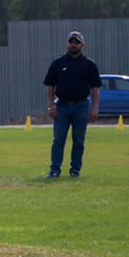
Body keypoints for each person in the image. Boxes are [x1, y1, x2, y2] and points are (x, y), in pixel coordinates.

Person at [43, 31, 101, 178]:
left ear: (82, 45)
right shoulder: (58, 63)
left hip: (81, 106)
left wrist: (94, 109)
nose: (74, 45)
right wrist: (51, 106)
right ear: (67, 43)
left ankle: (75, 170)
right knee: (59, 139)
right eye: (71, 42)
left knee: (79, 141)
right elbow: (50, 86)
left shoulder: (89, 65)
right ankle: (55, 170)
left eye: (77, 42)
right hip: (61, 107)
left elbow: (95, 88)